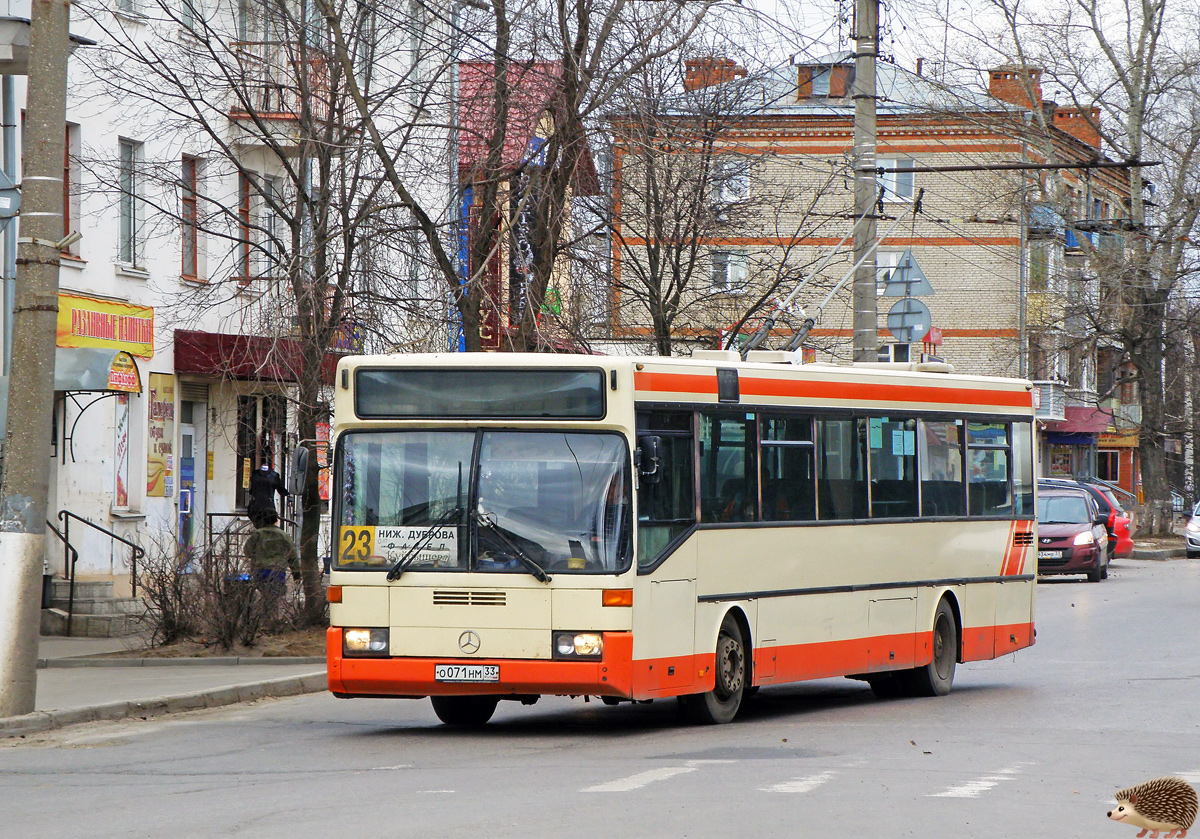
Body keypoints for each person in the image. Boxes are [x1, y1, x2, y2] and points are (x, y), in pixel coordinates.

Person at [244, 511, 300, 610]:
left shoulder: (258, 534)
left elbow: (247, 551)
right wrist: (296, 574)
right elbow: (292, 556)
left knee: (265, 594)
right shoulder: (284, 535)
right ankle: (269, 618)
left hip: (259, 569)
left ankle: (261, 616)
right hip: (277, 571)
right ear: (276, 520)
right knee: (274, 597)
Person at [248, 460, 287, 528]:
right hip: (266, 504)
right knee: (266, 523)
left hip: (258, 504)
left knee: (262, 522)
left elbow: (251, 490)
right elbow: (280, 489)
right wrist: (286, 493)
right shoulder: (272, 475)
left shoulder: (272, 475)